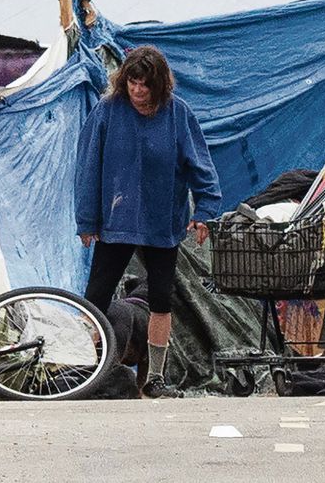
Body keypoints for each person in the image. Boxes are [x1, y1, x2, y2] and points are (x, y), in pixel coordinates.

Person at [75, 45, 222, 399]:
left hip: (162, 221)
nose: (138, 91)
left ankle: (154, 377)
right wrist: (86, 219)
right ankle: (80, 367)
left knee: (161, 299)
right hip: (117, 218)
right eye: (132, 83)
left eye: (145, 85)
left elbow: (200, 165)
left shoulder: (178, 115)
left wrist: (206, 210)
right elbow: (88, 166)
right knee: (95, 296)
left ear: (159, 85)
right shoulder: (108, 112)